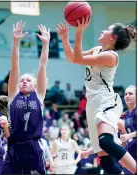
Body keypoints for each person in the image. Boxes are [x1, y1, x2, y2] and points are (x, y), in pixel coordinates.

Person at [56, 18, 136, 174]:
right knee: (105, 163)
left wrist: (79, 32)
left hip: (106, 100)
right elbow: (73, 58)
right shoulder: (96, 49)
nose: (102, 30)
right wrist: (65, 39)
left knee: (106, 141)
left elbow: (78, 58)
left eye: (107, 29)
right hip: (92, 104)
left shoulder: (111, 56)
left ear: (113, 37)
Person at [2, 20, 50, 174]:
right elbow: (15, 66)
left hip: (33, 147)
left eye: (28, 80)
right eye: (21, 80)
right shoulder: (13, 95)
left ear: (35, 84)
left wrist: (46, 44)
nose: (23, 81)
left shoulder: (39, 96)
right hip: (14, 146)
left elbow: (42, 66)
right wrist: (16, 42)